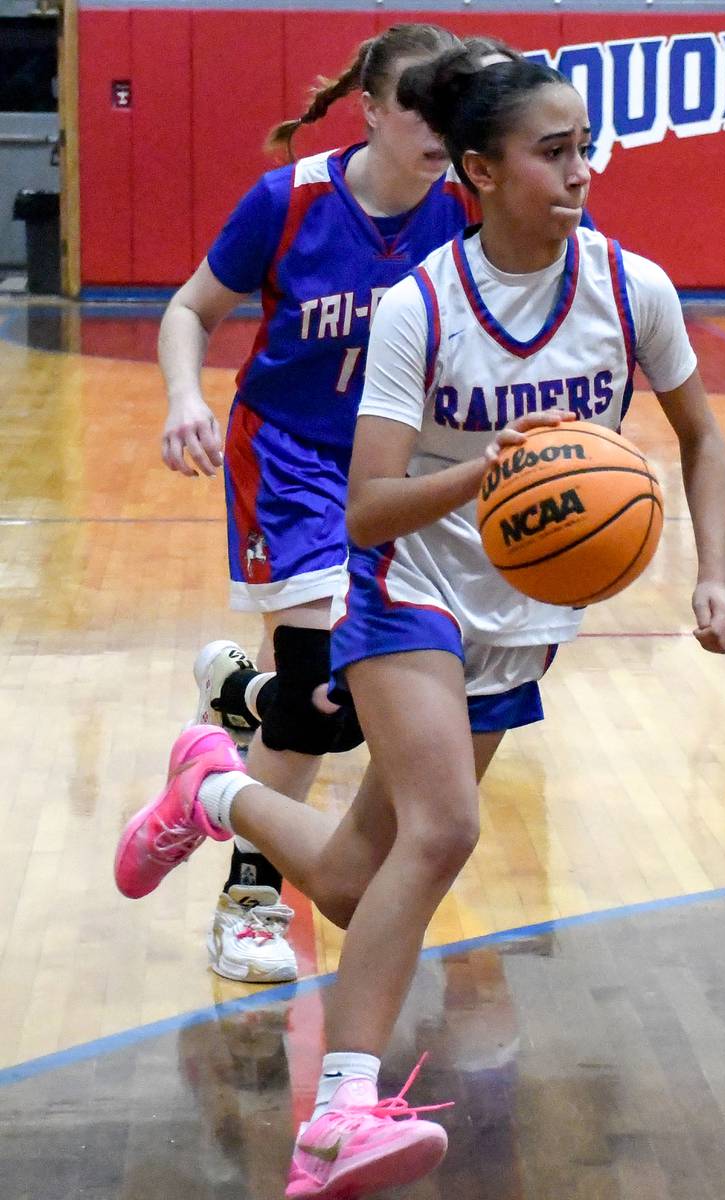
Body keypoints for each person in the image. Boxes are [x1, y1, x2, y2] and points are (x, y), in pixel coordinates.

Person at [115, 46, 725, 1198]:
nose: (579, 172)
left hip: (520, 611)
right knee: (443, 829)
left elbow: (701, 438)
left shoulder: (628, 289)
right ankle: (340, 1116)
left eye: (582, 149)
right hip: (406, 584)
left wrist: (711, 574)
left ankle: (209, 785)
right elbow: (366, 510)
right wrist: (484, 480)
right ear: (481, 170)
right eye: (551, 153)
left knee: (362, 881)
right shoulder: (422, 306)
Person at [157, 22, 489, 984]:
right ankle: (250, 903)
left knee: (321, 697)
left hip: (401, 470)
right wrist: (186, 398)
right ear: (372, 109)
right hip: (293, 458)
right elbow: (190, 309)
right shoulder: (290, 200)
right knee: (315, 701)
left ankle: (230, 697)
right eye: (417, 105)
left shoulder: (467, 211)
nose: (436, 126)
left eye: (451, 108)